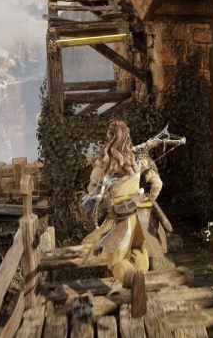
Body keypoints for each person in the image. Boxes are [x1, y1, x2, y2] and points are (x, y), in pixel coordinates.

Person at [81, 120, 165, 317]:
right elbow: (157, 184)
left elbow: (92, 192)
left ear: (109, 138)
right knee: (138, 250)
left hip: (121, 217)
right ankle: (139, 283)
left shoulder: (104, 163)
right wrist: (149, 200)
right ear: (128, 136)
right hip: (143, 215)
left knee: (115, 261)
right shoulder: (141, 159)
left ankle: (133, 281)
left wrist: (97, 191)